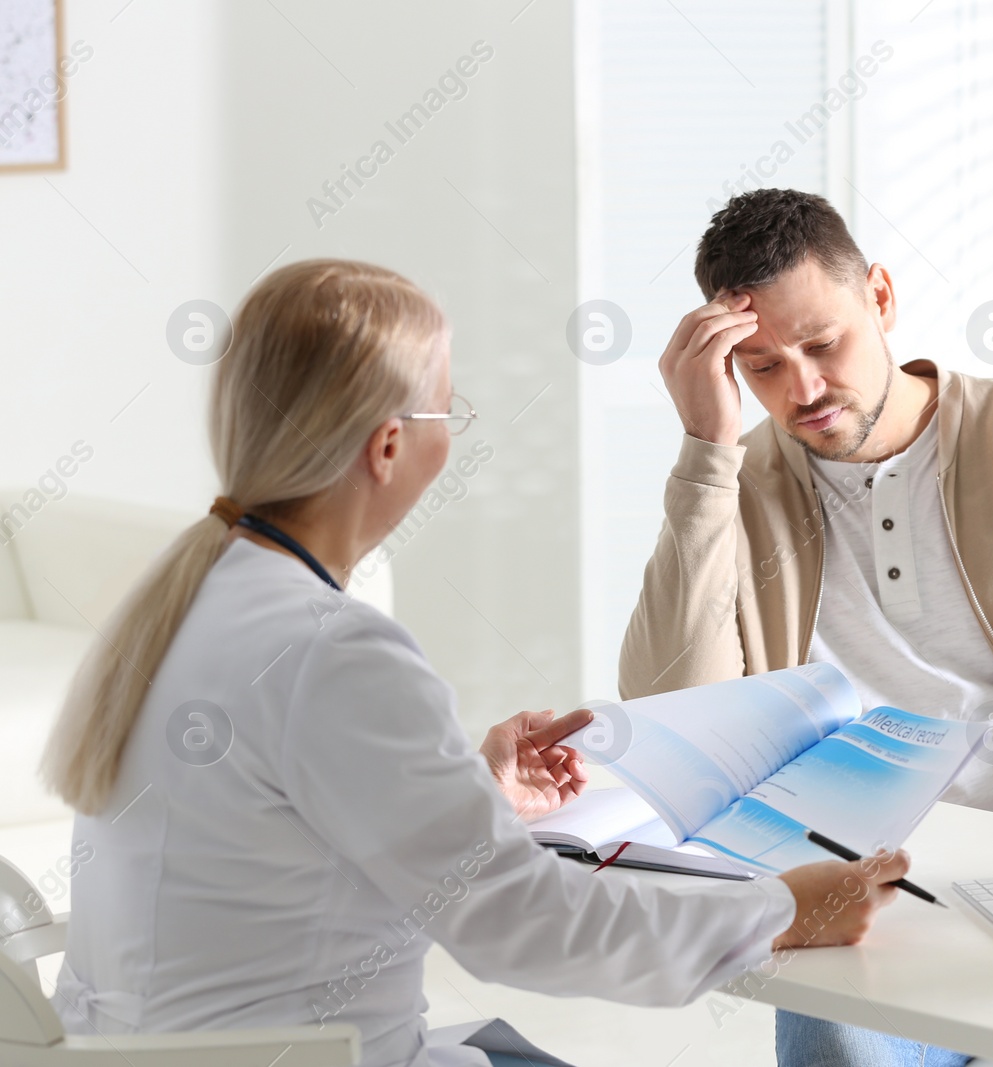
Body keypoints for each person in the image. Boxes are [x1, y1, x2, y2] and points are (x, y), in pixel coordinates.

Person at [38, 259, 910, 1067]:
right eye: (447, 413)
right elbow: (526, 927)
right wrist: (788, 909)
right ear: (387, 446)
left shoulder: (190, 598)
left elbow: (269, 838)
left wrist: (473, 797)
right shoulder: (337, 649)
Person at [620, 189, 993, 1066]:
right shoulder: (737, 488)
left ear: (880, 298)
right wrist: (706, 451)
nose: (803, 389)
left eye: (823, 344)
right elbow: (678, 722)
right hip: (863, 903)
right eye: (764, 366)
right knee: (831, 1025)